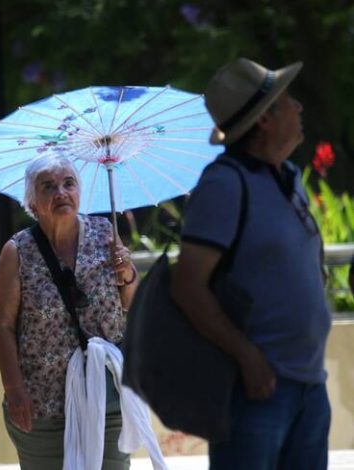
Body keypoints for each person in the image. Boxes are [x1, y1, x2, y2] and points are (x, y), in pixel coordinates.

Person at [171, 58, 331, 470]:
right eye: (288, 101)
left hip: (309, 386)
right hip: (256, 391)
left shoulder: (288, 177)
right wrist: (247, 356)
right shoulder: (225, 183)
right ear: (264, 120)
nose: (298, 108)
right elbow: (188, 287)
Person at [0, 155, 140, 470]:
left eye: (68, 183)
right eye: (48, 187)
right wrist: (14, 390)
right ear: (32, 203)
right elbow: (3, 326)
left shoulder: (105, 233)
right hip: (43, 403)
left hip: (106, 395)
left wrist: (126, 272)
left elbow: (130, 304)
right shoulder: (17, 251)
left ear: (79, 192)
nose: (61, 192)